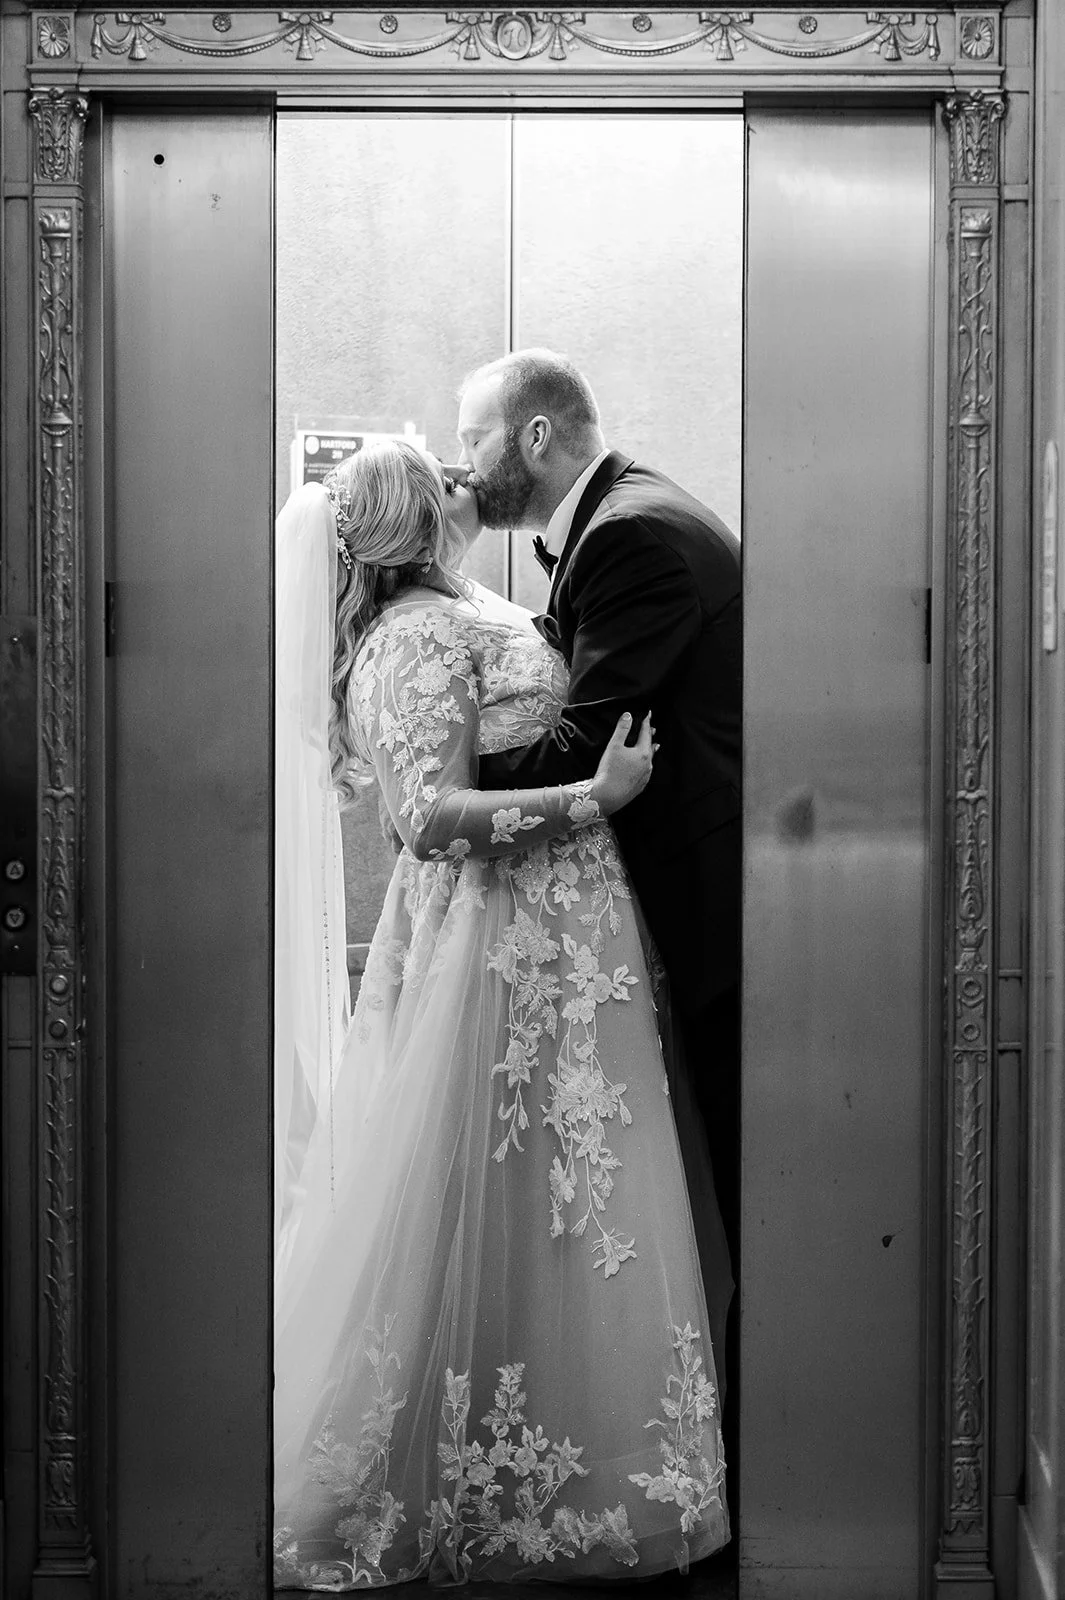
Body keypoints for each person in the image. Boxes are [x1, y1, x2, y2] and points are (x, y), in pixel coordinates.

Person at [272, 439, 731, 1590]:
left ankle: (575, 1468)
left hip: (566, 944)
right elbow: (426, 816)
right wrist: (596, 795)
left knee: (576, 1205)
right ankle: (476, 1479)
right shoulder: (410, 638)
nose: (462, 476)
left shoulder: (466, 605)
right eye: (440, 474)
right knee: (506, 1192)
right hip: (506, 954)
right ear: (413, 518)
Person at [458, 349, 742, 1484]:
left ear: (531, 437)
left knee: (725, 1192)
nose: (460, 456)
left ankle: (742, 1466)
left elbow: (587, 743)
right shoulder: (629, 515)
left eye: (471, 432)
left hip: (708, 922)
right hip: (670, 914)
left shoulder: (629, 535)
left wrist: (442, 779)